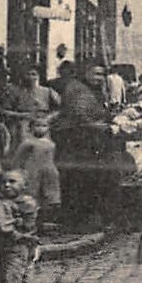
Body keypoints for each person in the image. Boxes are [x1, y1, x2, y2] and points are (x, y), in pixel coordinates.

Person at [52, 62, 117, 229]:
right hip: (74, 140)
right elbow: (80, 116)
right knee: (78, 180)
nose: (99, 78)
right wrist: (106, 125)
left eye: (102, 75)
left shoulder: (95, 91)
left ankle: (87, 219)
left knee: (90, 179)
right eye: (95, 74)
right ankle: (77, 221)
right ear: (85, 72)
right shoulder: (77, 89)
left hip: (88, 140)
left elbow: (99, 112)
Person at [14, 116, 61, 231]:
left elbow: (53, 158)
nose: (41, 128)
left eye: (44, 126)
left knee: (48, 196)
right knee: (33, 195)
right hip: (33, 171)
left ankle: (44, 223)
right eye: (37, 125)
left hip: (48, 172)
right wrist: (19, 171)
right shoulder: (28, 142)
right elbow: (17, 158)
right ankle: (31, 223)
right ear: (31, 128)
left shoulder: (51, 143)